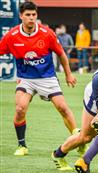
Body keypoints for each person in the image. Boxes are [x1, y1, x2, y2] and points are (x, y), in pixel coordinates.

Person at [0, 1, 80, 156]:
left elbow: (61, 53)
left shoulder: (47, 33)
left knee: (63, 108)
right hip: (26, 79)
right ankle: (22, 145)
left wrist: (68, 74)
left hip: (47, 77)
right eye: (28, 15)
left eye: (34, 15)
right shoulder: (12, 36)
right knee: (20, 108)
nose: (31, 18)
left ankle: (78, 140)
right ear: (20, 16)